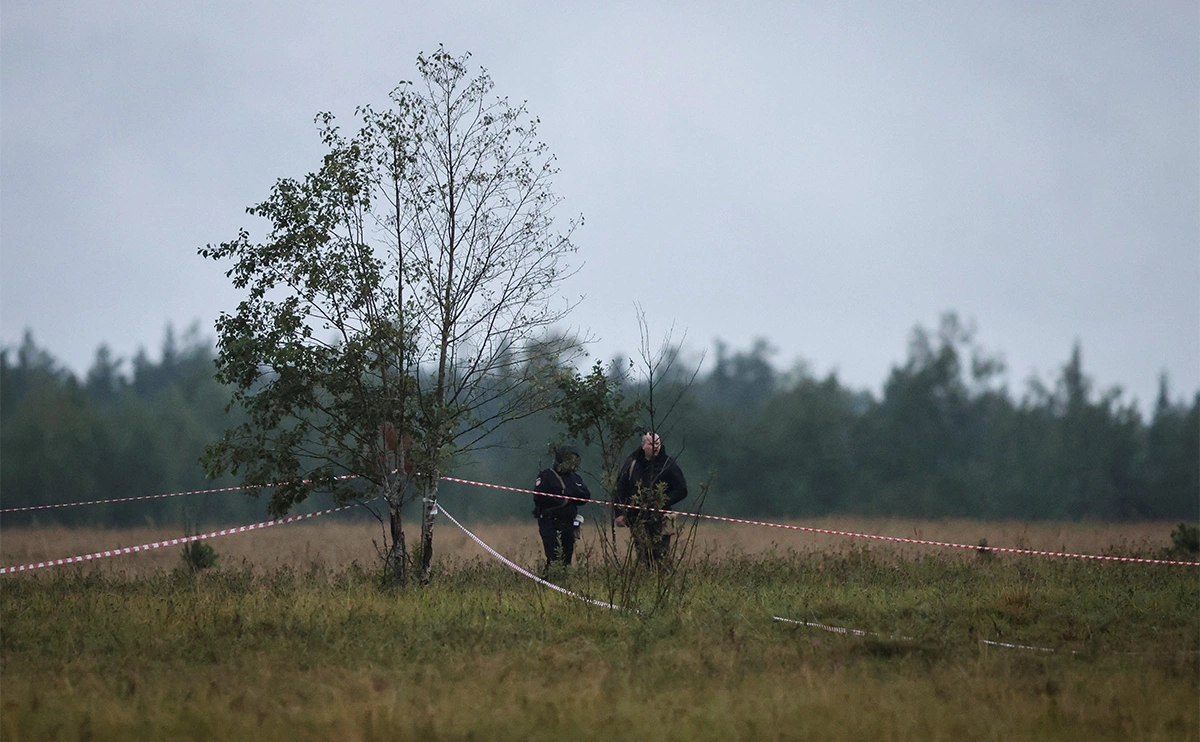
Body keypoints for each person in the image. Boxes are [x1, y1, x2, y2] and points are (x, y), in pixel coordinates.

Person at [613, 432, 688, 565]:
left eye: (657, 444)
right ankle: (644, 580)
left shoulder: (668, 464)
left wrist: (663, 502)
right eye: (651, 444)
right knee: (643, 555)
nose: (655, 447)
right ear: (643, 446)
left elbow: (681, 490)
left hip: (661, 518)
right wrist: (619, 513)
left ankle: (662, 581)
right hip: (636, 517)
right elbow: (620, 489)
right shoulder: (632, 463)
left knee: (661, 556)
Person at [533, 445, 591, 571]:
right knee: (553, 558)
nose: (573, 464)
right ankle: (547, 584)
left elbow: (585, 496)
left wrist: (568, 494)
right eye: (570, 460)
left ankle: (563, 584)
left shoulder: (575, 478)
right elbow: (539, 498)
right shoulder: (546, 476)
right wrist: (562, 498)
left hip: (569, 523)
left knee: (566, 559)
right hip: (549, 523)